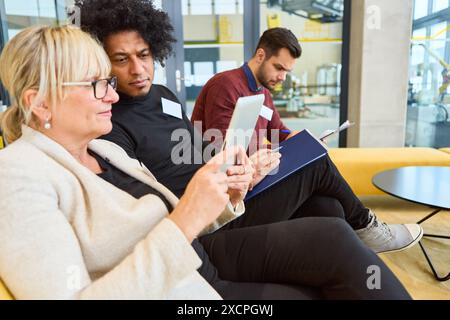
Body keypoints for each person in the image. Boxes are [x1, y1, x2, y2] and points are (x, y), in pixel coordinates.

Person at [0, 25, 413, 300]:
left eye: (108, 82)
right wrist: (188, 217)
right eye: (98, 83)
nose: (112, 94)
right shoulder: (17, 176)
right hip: (184, 287)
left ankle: (360, 232)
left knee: (331, 231)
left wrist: (228, 192)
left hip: (200, 256)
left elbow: (178, 215)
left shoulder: (105, 150)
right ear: (40, 103)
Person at [77, 0, 423, 255]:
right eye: (121, 60)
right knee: (316, 162)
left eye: (145, 54)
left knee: (329, 207)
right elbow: (156, 200)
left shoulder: (165, 95)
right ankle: (366, 225)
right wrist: (226, 179)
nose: (138, 69)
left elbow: (199, 146)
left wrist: (240, 169)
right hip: (212, 217)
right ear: (101, 61)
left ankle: (348, 239)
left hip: (230, 185)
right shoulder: (110, 122)